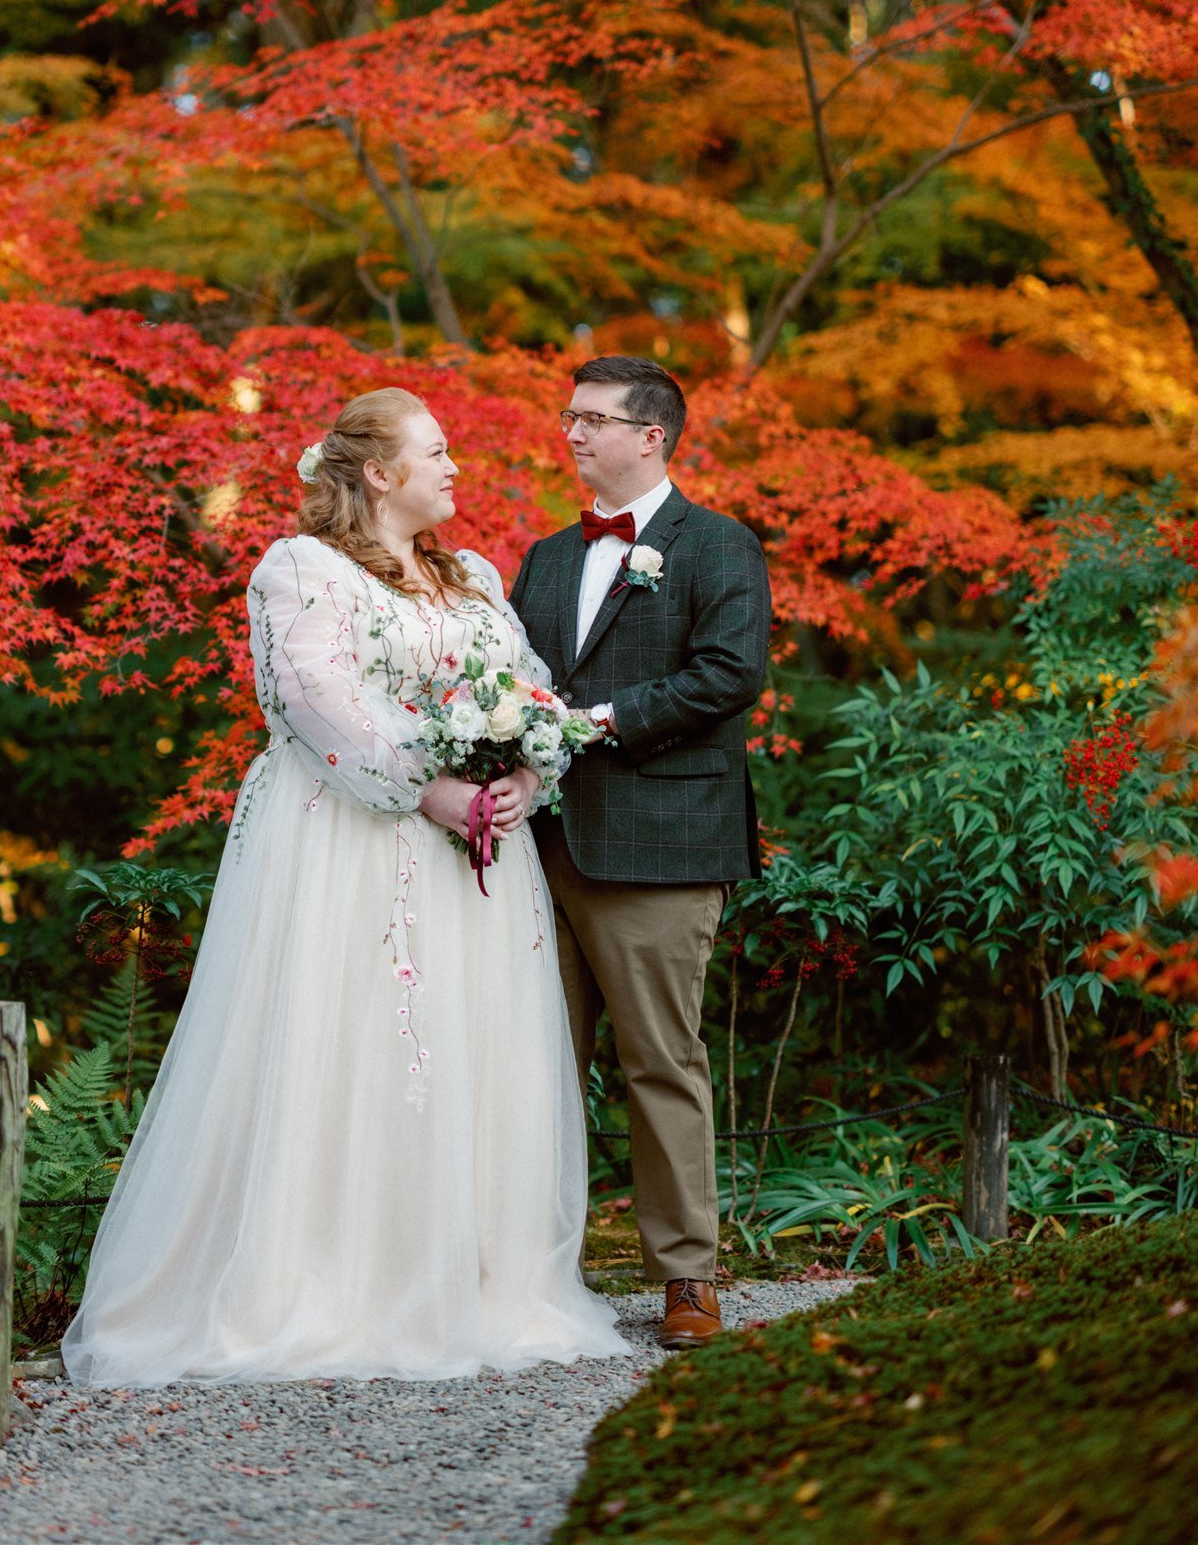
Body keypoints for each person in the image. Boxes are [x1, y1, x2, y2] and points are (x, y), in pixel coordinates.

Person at [62, 387, 623, 1385]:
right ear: (377, 472)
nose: (457, 468)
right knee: (359, 1038)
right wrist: (432, 789)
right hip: (355, 846)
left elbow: (531, 692)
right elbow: (313, 701)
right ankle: (326, 1285)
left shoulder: (477, 578)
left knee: (467, 1045)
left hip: (481, 860)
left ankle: (478, 1282)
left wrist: (526, 773)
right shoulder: (301, 569)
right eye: (437, 451)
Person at [509, 356, 772, 1350]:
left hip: (660, 842)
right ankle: (532, 1276)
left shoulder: (717, 545)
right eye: (568, 415)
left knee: (660, 1059)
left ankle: (686, 1277)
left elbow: (728, 673)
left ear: (650, 434)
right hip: (538, 844)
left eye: (590, 418)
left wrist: (600, 721)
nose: (570, 432)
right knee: (533, 1066)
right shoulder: (542, 554)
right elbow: (516, 679)